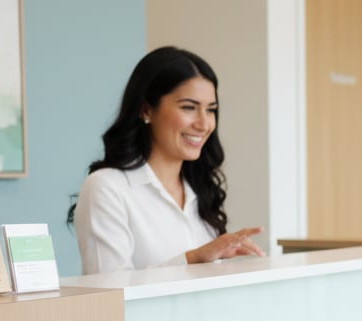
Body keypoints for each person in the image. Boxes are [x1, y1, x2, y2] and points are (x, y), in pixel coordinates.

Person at [69, 46, 264, 274]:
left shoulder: (201, 191)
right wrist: (192, 259)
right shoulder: (107, 187)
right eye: (189, 107)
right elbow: (109, 291)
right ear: (146, 110)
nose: (203, 124)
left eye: (211, 110)